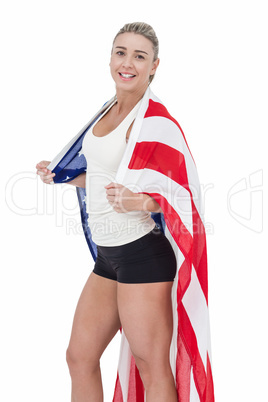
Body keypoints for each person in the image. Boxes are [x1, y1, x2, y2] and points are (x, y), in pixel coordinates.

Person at [36, 22, 214, 402]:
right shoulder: (105, 113)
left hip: (143, 254)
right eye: (121, 52)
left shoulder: (157, 123)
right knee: (79, 356)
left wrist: (141, 202)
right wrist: (61, 177)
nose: (127, 62)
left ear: (154, 66)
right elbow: (103, 179)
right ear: (111, 58)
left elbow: (183, 197)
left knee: (151, 365)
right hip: (108, 257)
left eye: (139, 55)